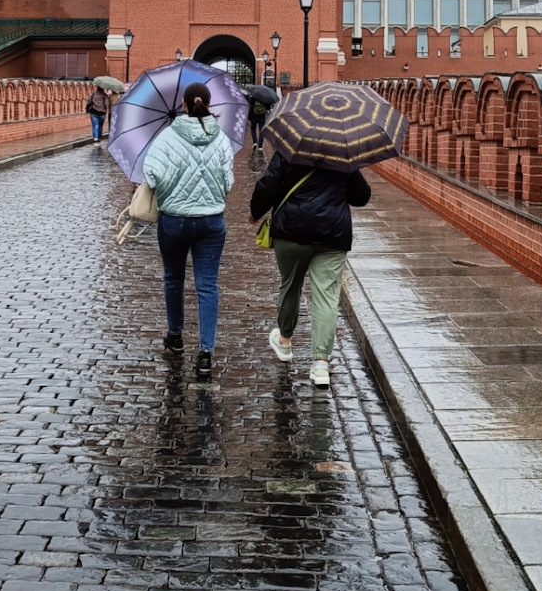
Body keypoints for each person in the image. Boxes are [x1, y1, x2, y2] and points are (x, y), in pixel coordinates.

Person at [249, 153, 371, 386]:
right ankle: (321, 365)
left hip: (290, 231)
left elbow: (269, 185)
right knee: (326, 297)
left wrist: (255, 212)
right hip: (332, 234)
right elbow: (361, 196)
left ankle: (284, 342)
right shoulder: (342, 153)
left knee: (291, 285)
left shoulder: (289, 149)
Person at [142, 81, 235, 380]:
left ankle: (176, 337)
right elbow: (229, 183)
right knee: (208, 285)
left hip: (174, 220)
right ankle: (206, 353)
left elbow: (152, 174)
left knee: (173, 277)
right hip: (211, 222)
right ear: (208, 106)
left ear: (183, 104)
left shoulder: (167, 136)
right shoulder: (221, 139)